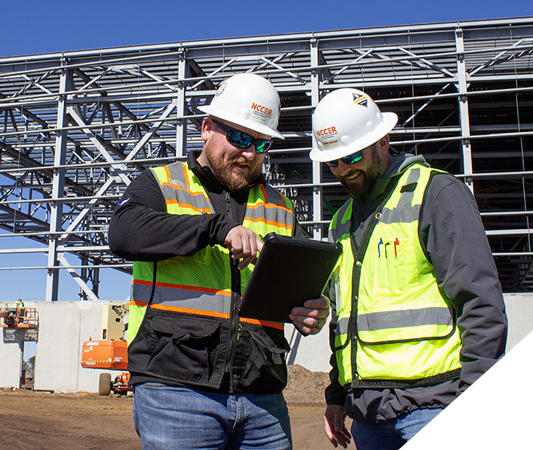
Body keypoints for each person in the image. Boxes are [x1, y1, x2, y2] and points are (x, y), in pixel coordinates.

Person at [109, 73, 330, 450]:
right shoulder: (160, 183)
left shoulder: (280, 206)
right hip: (175, 389)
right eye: (240, 138)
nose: (249, 153)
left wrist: (311, 310)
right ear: (206, 128)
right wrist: (215, 228)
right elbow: (124, 232)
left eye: (260, 143)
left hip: (263, 395)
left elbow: (294, 287)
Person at [309, 88, 508, 449]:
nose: (342, 170)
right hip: (369, 417)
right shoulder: (340, 222)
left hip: (436, 409)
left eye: (351, 156)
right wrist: (337, 394)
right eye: (332, 162)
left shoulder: (435, 193)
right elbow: (346, 320)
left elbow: (479, 301)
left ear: (383, 142)